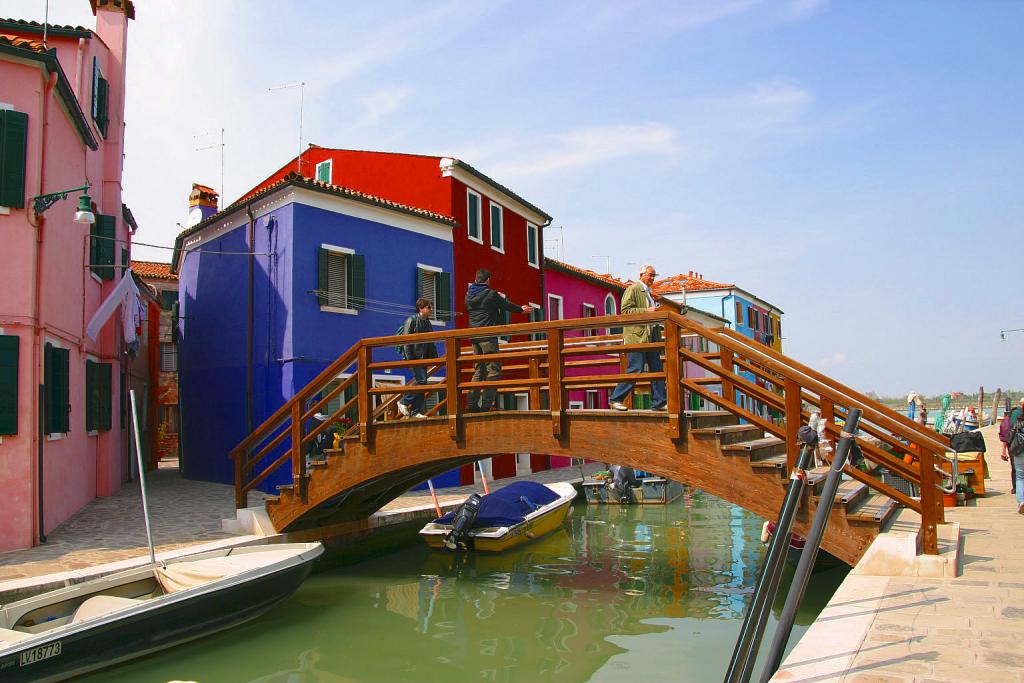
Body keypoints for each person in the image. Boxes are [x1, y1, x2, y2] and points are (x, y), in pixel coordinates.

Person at [464, 268, 532, 412]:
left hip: (474, 337)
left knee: (479, 370)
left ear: (476, 280)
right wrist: (521, 310)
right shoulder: (490, 294)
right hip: (488, 336)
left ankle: (471, 405)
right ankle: (487, 405)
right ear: (488, 280)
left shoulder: (468, 295)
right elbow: (506, 305)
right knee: (494, 370)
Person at [609, 264, 666, 412]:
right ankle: (616, 399)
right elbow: (626, 311)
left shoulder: (649, 293)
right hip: (637, 337)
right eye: (650, 275)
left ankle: (659, 402)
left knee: (657, 369)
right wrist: (646, 311)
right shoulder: (633, 289)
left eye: (654, 275)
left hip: (651, 337)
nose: (652, 278)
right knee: (635, 368)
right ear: (641, 275)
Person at [397, 298, 439, 418]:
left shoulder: (427, 322)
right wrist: (410, 359)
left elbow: (431, 342)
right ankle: (403, 401)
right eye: (429, 307)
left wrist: (434, 358)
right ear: (421, 308)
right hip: (414, 357)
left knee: (423, 383)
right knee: (422, 381)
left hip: (424, 357)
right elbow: (406, 341)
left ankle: (415, 412)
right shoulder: (412, 320)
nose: (431, 310)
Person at [1000, 398, 1024, 493]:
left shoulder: (1013, 413)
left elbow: (1008, 432)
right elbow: (1011, 431)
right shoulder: (1018, 414)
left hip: (1014, 445)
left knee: (1017, 471)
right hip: (1017, 444)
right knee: (1019, 473)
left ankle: (1017, 491)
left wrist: (1003, 450)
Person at [1006, 405, 1024, 514]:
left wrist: (1008, 449)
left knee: (1020, 477)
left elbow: (1010, 436)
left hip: (1019, 452)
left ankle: (1021, 501)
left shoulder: (1018, 422)